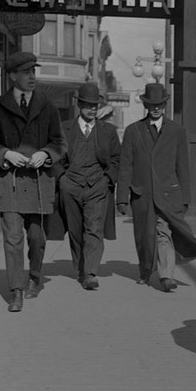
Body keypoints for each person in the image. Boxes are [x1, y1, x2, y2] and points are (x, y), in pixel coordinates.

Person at [0, 51, 67, 312]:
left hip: (40, 184)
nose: (33, 76)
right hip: (10, 181)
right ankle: (16, 290)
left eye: (34, 71)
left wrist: (45, 154)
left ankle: (35, 276)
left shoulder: (47, 106)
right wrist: (6, 154)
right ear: (12, 76)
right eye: (27, 72)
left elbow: (60, 142)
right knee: (13, 238)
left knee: (36, 238)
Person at [116, 83, 196, 292]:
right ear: (146, 105)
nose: (156, 108)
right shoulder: (133, 131)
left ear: (164, 104)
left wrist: (185, 198)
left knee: (164, 233)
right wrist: (121, 198)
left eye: (160, 104)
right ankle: (146, 270)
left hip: (168, 193)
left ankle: (166, 276)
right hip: (142, 194)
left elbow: (183, 167)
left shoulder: (176, 131)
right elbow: (125, 167)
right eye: (152, 104)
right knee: (144, 237)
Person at [48, 82, 120, 290]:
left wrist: (108, 180)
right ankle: (81, 267)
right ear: (80, 105)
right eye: (88, 105)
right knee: (75, 230)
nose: (93, 109)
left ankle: (90, 273)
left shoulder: (108, 131)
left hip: (98, 187)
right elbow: (54, 156)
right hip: (70, 186)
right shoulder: (64, 128)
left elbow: (116, 159)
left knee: (94, 229)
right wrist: (62, 178)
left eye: (96, 105)